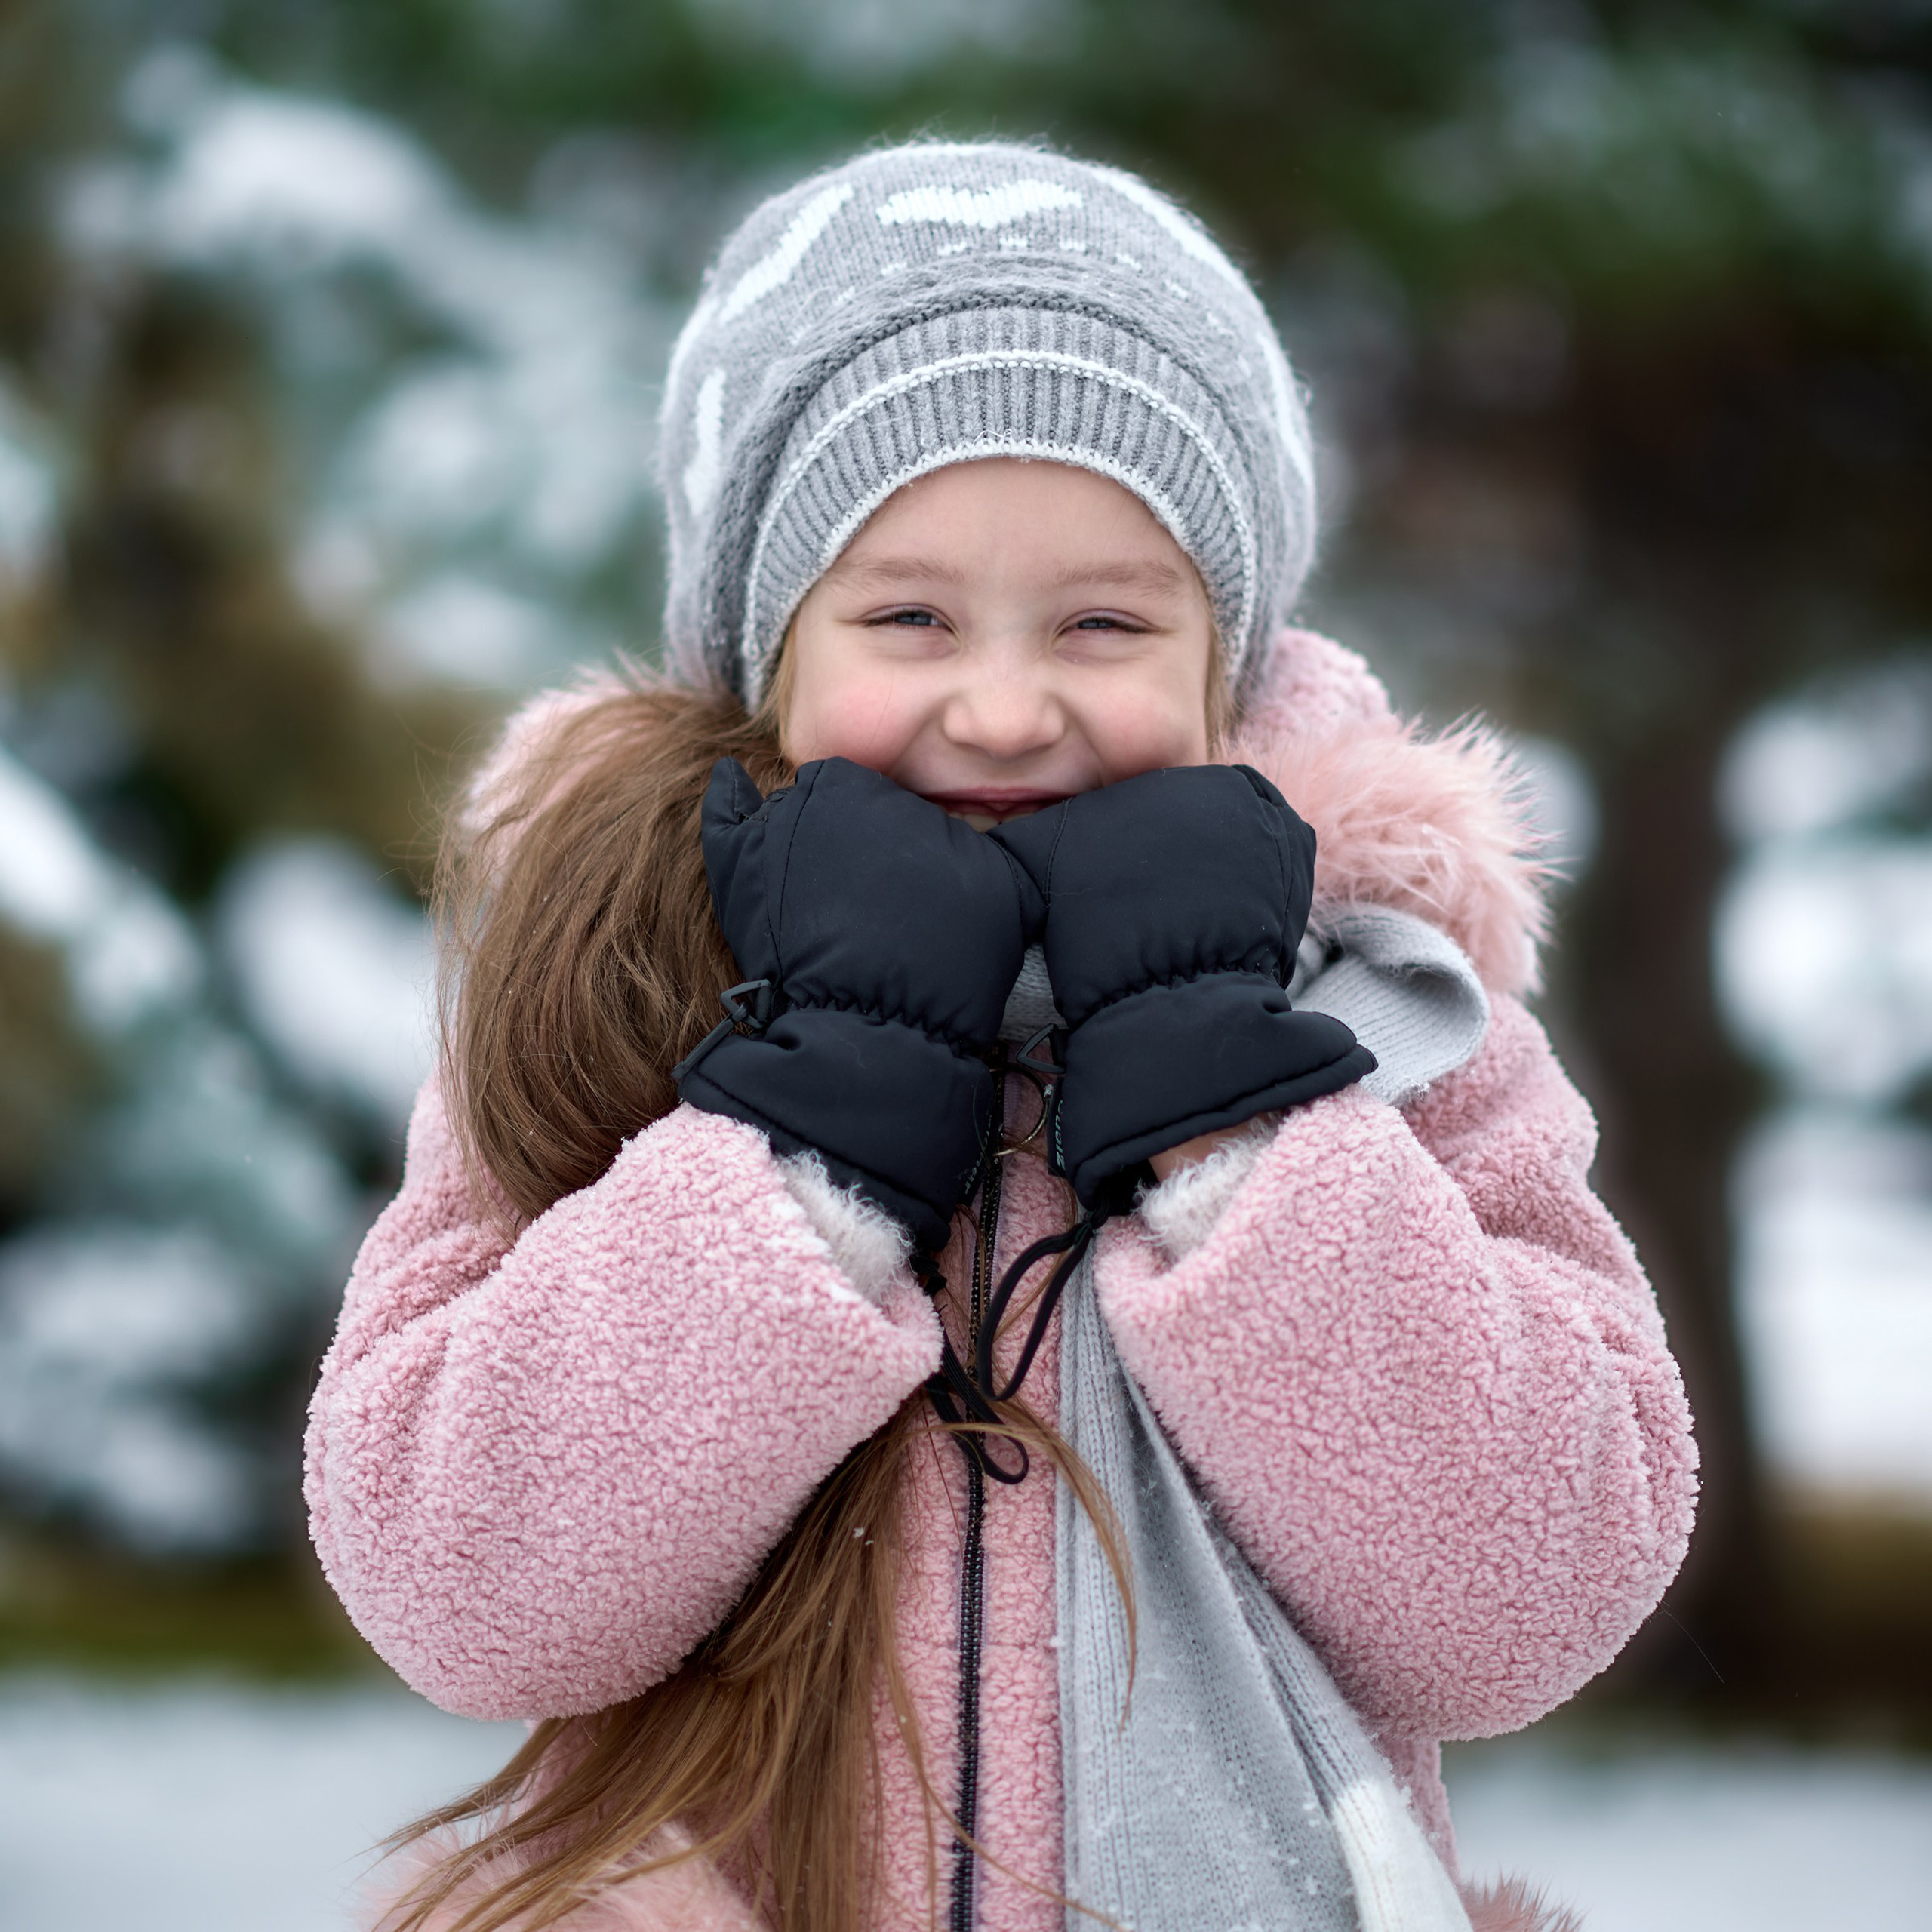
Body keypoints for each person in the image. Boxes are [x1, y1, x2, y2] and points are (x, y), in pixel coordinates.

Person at [306, 143, 1696, 1932]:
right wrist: (801, 1142)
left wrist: (1235, 1116)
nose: (1007, 698)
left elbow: (1524, 1600)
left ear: (1225, 653)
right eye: (909, 616)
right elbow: (459, 1585)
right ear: (767, 646)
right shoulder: (619, 987)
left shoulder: (1375, 1008)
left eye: (1104, 620)